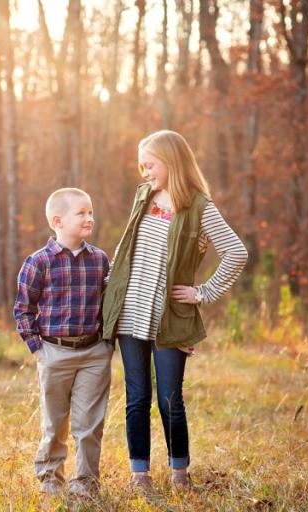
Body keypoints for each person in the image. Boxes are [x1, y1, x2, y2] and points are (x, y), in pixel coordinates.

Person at [102, 130, 248, 493]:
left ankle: (180, 474)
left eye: (150, 164)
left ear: (171, 161)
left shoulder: (199, 207)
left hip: (170, 318)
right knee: (137, 397)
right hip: (130, 311)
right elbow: (126, 248)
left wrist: (203, 292)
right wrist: (108, 287)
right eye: (142, 166)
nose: (145, 172)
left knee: (170, 399)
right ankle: (140, 476)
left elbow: (237, 252)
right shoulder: (144, 195)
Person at [13, 187, 114, 499]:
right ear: (57, 221)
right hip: (54, 351)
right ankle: (50, 477)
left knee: (89, 425)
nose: (89, 218)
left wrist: (107, 343)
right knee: (55, 422)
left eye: (91, 212)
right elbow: (23, 308)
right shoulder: (38, 262)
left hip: (94, 352)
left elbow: (110, 304)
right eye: (81, 213)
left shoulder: (99, 259)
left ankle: (85, 483)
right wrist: (37, 347)